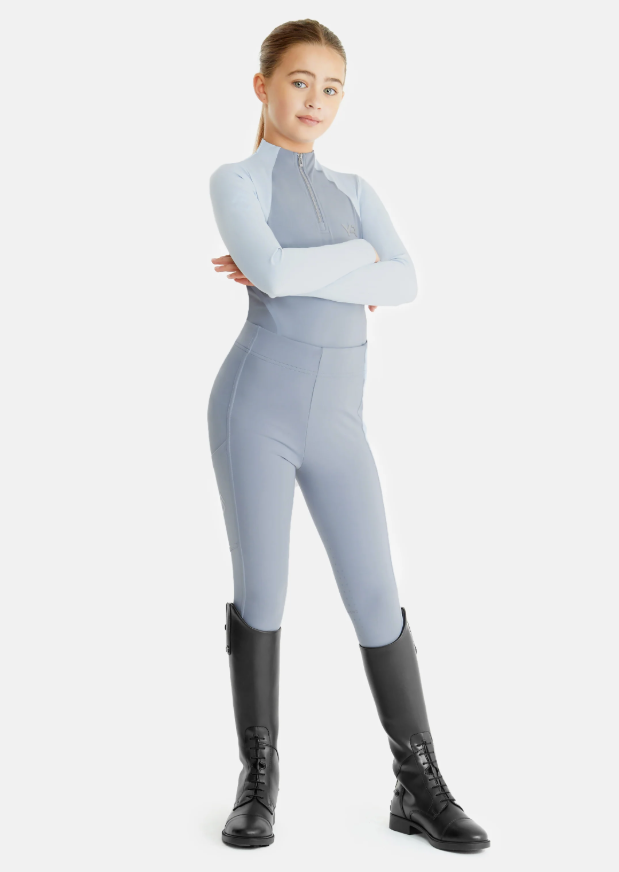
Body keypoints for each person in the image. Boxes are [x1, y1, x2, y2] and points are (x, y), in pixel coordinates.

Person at [208, 18, 490, 853]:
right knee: (263, 592)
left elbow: (404, 283)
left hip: (339, 424)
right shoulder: (235, 182)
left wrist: (331, 260)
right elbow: (275, 272)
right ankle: (257, 784)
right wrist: (357, 258)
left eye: (331, 88)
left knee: (375, 595)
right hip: (255, 410)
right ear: (262, 86)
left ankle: (417, 784)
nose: (315, 100)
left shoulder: (357, 189)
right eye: (299, 81)